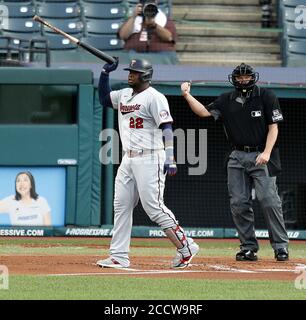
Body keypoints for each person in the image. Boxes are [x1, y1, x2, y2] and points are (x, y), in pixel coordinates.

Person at [97, 57, 199, 269]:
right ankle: (118, 256)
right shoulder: (124, 94)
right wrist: (105, 74)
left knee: (153, 207)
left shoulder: (155, 97)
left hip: (151, 156)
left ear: (145, 76)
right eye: (129, 71)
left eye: (134, 72)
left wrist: (170, 157)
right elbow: (105, 100)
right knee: (121, 205)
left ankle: (186, 246)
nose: (129, 74)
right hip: (128, 158)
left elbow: (167, 128)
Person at [181, 63, 289, 262]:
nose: (243, 80)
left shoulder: (266, 95)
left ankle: (280, 247)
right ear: (234, 79)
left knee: (269, 200)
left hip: (261, 155)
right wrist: (187, 95)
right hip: (237, 156)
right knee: (239, 203)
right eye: (239, 77)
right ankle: (248, 247)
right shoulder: (226, 99)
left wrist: (266, 152)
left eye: (246, 76)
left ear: (252, 77)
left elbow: (274, 128)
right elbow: (204, 112)